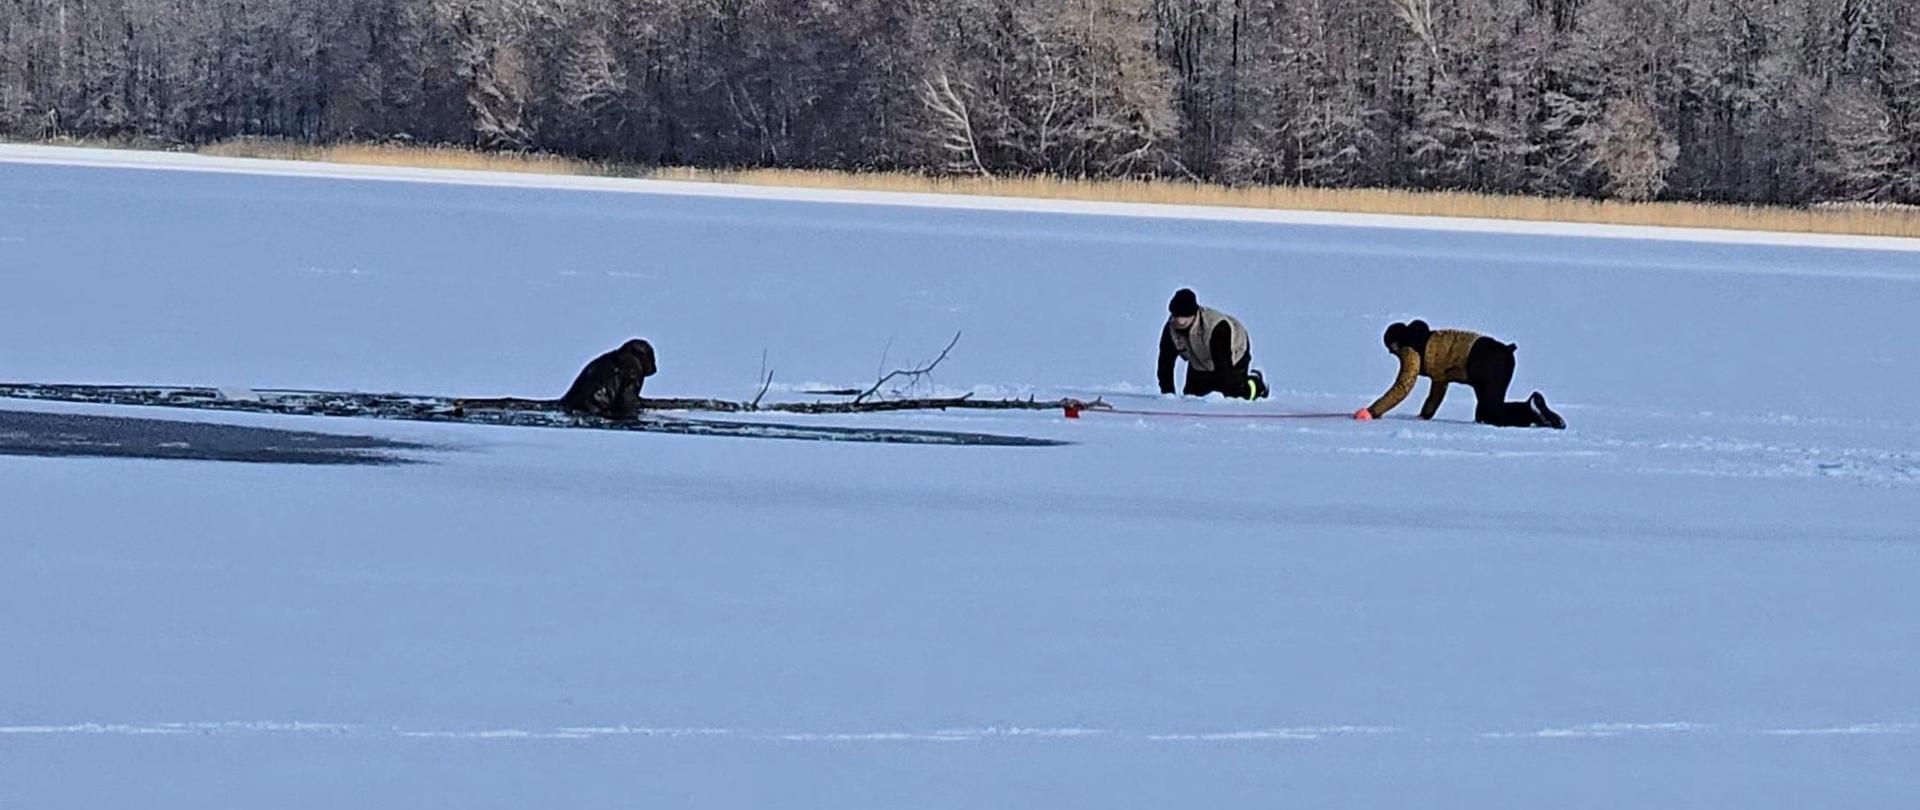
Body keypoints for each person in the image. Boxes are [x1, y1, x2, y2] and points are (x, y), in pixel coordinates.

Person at [1355, 320, 1564, 428]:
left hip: (1485, 360)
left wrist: (1373, 412)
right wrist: (1426, 414)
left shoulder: (1411, 349)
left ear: (1396, 344)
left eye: (1392, 350)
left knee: (1489, 415)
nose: (1394, 354)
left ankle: (1530, 410)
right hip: (1502, 356)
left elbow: (1404, 385)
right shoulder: (1430, 343)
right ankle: (1536, 413)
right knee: (1489, 413)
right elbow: (1439, 383)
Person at [1157, 288, 1269, 400]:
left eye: (1185, 316)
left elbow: (1223, 366)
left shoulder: (1216, 328)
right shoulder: (1171, 329)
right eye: (1177, 316)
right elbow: (1165, 363)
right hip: (1200, 360)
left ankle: (1258, 384)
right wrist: (1168, 395)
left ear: (1195, 313)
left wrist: (1227, 388)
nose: (1180, 321)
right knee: (1192, 397)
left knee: (1233, 393)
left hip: (1233, 352)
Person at [560, 338, 658, 419]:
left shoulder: (606, 360)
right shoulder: (632, 367)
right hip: (595, 411)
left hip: (571, 405)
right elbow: (627, 402)